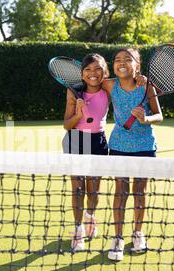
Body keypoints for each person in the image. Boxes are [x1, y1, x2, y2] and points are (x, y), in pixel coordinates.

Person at [102, 48, 163, 261]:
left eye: (128, 59)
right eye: (117, 59)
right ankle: (117, 237)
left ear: (137, 65)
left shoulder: (147, 86)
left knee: (139, 191)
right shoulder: (109, 84)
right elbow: (90, 81)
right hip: (119, 144)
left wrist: (146, 119)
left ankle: (138, 233)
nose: (121, 62)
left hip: (145, 145)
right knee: (121, 191)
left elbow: (159, 115)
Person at [62, 53, 110, 251]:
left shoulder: (109, 88)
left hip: (98, 142)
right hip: (75, 141)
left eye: (98, 68)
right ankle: (78, 228)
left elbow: (130, 83)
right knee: (78, 188)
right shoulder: (73, 92)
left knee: (93, 190)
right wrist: (79, 114)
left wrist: (139, 78)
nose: (93, 73)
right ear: (82, 74)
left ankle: (90, 216)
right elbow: (67, 124)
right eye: (88, 69)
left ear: (105, 72)